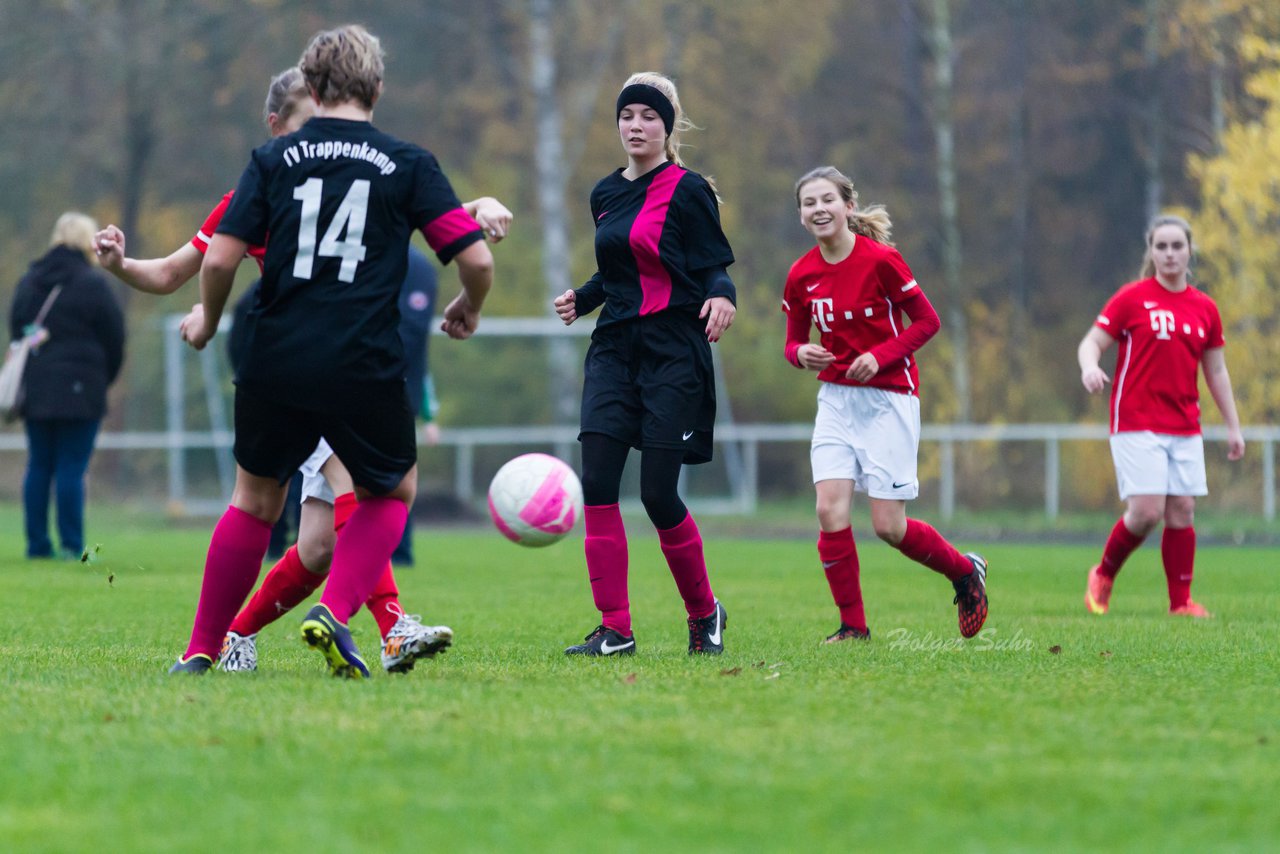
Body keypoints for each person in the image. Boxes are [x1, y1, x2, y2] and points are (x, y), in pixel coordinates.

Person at [553, 72, 736, 657]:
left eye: (648, 116)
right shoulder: (604, 193)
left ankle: (705, 615)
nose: (636, 125)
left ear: (668, 126)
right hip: (613, 351)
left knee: (658, 495)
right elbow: (616, 272)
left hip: (672, 352)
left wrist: (723, 297)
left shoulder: (687, 190)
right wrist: (583, 299)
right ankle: (616, 629)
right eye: (627, 115)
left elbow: (712, 265)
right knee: (599, 484)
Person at [782, 167, 988, 643]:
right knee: (829, 511)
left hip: (889, 399)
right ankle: (853, 628)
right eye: (809, 203)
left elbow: (927, 322)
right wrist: (800, 355)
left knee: (887, 526)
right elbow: (792, 342)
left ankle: (963, 572)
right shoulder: (801, 274)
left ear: (848, 206)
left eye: (827, 200)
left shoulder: (882, 261)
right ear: (800, 216)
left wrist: (880, 357)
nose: (819, 209)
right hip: (835, 400)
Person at [1078, 214, 1244, 618]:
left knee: (1182, 509)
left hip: (1184, 423)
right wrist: (1089, 368)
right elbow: (1092, 343)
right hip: (1135, 419)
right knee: (1147, 512)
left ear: (1189, 251)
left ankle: (1180, 604)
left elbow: (1216, 370)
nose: (1169, 254)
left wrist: (1233, 426)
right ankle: (1103, 573)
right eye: (1161, 247)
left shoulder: (1205, 308)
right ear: (1151, 252)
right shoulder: (1131, 298)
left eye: (1177, 246)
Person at [9, 212, 125, 560]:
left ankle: (37, 544)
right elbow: (115, 338)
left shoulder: (30, 280)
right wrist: (103, 379)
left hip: (37, 386)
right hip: (83, 388)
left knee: (39, 464)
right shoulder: (93, 283)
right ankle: (72, 543)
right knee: (72, 466)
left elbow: (16, 329)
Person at [391, 244, 440, 567]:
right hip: (340, 384)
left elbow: (416, 346)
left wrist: (427, 413)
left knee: (395, 477)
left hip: (396, 393)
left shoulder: (418, 268)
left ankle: (400, 551)